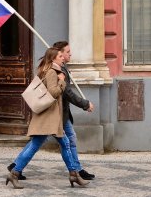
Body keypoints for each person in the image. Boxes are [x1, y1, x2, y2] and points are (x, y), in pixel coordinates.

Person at [7, 41, 96, 181]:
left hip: (56, 115)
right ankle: (16, 170)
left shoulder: (56, 69)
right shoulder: (53, 72)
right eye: (62, 54)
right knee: (55, 142)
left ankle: (75, 173)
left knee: (62, 142)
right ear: (55, 56)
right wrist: (62, 81)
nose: (66, 56)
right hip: (53, 116)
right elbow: (56, 92)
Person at [53, 40, 96, 181]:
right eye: (67, 52)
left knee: (70, 139)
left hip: (62, 113)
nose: (70, 54)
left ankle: (77, 170)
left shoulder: (63, 67)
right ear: (59, 53)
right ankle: (16, 167)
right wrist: (85, 104)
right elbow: (67, 93)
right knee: (37, 143)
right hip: (56, 113)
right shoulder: (57, 70)